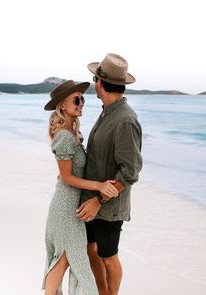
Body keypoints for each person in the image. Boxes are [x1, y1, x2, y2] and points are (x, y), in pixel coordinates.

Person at [42, 80, 119, 295]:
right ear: (62, 106)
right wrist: (100, 185)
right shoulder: (65, 137)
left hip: (71, 207)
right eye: (76, 99)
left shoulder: (72, 134)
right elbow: (66, 177)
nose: (81, 103)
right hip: (65, 207)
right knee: (64, 258)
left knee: (67, 258)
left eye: (82, 98)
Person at [76, 53, 143, 295]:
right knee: (89, 249)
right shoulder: (108, 111)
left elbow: (130, 172)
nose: (94, 82)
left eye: (94, 78)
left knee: (108, 257)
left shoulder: (124, 120)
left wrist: (98, 201)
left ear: (100, 83)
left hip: (108, 206)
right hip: (92, 200)